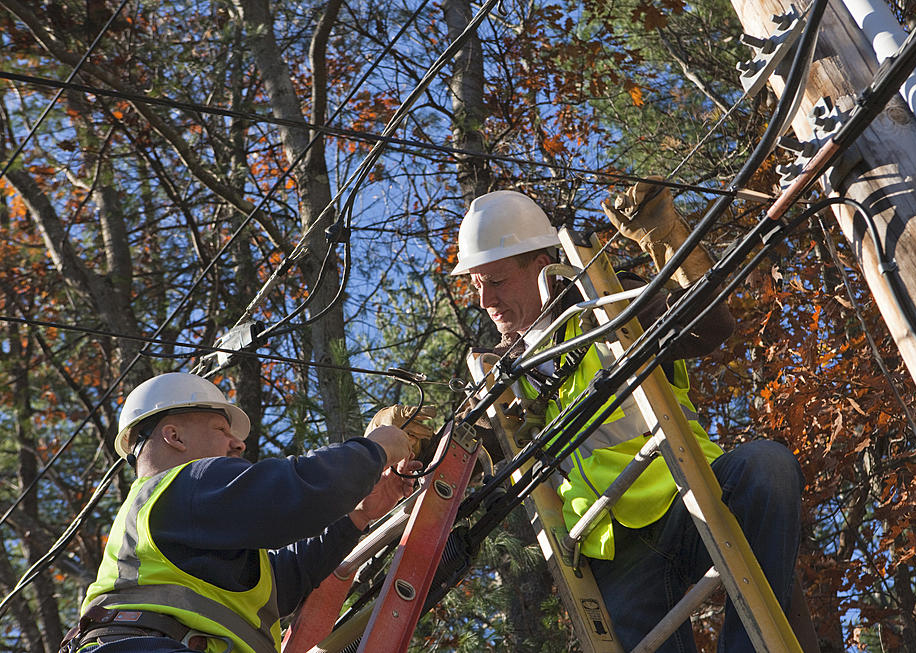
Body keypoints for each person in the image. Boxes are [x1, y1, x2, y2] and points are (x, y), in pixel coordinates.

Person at [451, 184, 804, 652]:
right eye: (476, 284)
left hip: (692, 488)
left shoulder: (610, 304)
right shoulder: (500, 378)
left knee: (768, 468)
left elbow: (709, 327)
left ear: (540, 265)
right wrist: (408, 448)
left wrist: (670, 241)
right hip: (615, 545)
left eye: (495, 281)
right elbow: (464, 459)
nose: (484, 300)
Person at [61, 372, 429, 653]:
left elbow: (285, 581)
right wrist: (376, 449)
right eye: (221, 429)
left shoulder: (179, 522)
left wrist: (359, 514)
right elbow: (297, 490)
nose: (238, 443)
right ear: (174, 437)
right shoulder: (184, 486)